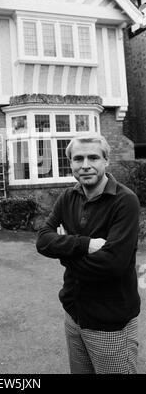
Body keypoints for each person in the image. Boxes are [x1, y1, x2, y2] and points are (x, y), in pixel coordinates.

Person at [36, 133, 141, 374]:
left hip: (110, 323)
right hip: (74, 315)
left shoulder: (125, 201)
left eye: (93, 157)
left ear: (106, 161)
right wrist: (84, 245)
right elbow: (43, 239)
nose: (85, 165)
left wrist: (62, 249)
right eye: (78, 159)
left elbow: (112, 265)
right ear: (70, 163)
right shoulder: (68, 196)